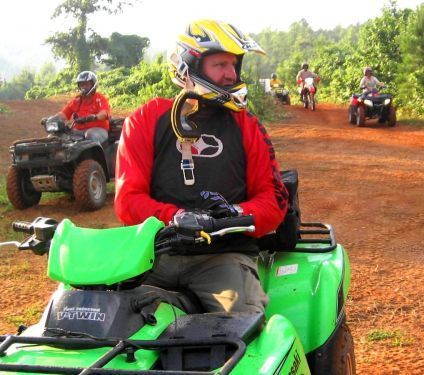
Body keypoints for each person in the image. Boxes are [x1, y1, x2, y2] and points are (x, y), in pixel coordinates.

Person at [114, 19, 288, 314]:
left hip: (223, 258)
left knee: (240, 323)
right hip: (155, 255)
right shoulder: (146, 119)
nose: (231, 74)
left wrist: (233, 214)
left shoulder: (247, 126)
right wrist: (177, 217)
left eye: (234, 65)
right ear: (188, 67)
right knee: (102, 314)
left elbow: (273, 201)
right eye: (220, 64)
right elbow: (128, 200)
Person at [54, 71, 110, 143]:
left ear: (93, 84)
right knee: (58, 137)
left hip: (98, 130)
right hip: (78, 131)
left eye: (86, 84)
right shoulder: (76, 100)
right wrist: (52, 118)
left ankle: (94, 154)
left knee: (90, 135)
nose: (83, 87)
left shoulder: (100, 98)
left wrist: (94, 117)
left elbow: (104, 113)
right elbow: (64, 114)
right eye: (81, 85)